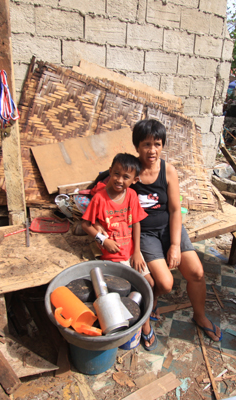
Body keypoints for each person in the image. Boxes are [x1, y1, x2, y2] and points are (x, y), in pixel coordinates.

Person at [130, 119, 222, 342]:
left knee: (197, 273)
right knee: (165, 284)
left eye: (157, 144)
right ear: (137, 146)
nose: (152, 150)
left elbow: (174, 210)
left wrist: (174, 245)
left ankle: (199, 316)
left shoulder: (168, 171)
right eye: (146, 144)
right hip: (145, 234)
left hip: (169, 228)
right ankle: (151, 303)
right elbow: (107, 183)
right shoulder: (130, 171)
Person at [81, 153, 158, 350]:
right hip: (113, 257)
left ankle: (142, 317)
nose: (119, 180)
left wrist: (137, 252)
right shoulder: (100, 198)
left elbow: (136, 222)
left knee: (149, 283)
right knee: (125, 291)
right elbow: (85, 224)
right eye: (116, 174)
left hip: (131, 253)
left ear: (134, 180)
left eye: (126, 177)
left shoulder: (131, 195)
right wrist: (103, 240)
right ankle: (140, 325)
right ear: (110, 171)